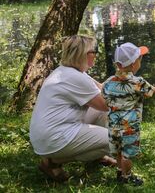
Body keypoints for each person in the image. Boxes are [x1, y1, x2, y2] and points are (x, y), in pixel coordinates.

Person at [29, 35, 116, 182]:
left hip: (48, 133)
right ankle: (52, 162)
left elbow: (101, 89)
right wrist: (130, 91)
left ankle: (97, 155)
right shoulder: (74, 77)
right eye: (93, 52)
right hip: (54, 136)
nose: (95, 55)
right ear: (82, 54)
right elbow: (106, 104)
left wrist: (119, 82)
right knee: (117, 138)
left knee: (102, 113)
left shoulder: (67, 71)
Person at [102, 42, 155, 185]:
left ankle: (119, 172)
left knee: (118, 152)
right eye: (140, 59)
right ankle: (127, 176)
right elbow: (154, 91)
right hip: (129, 127)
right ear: (134, 64)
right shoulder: (137, 82)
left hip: (112, 126)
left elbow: (104, 97)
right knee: (127, 155)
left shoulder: (109, 82)